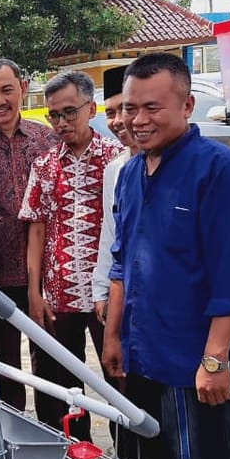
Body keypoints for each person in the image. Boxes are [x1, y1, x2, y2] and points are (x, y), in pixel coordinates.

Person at [102, 52, 230, 459]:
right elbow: (121, 264)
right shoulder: (130, 174)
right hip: (140, 359)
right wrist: (113, 337)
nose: (137, 120)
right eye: (130, 108)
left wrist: (215, 361)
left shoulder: (222, 172)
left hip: (195, 368)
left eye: (152, 107)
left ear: (187, 104)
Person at [17, 71, 125, 442]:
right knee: (61, 380)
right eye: (53, 115)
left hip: (108, 295)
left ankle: (132, 457)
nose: (61, 123)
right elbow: (36, 228)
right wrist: (34, 291)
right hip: (59, 294)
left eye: (69, 112)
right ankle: (74, 449)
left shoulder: (117, 160)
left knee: (119, 376)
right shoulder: (44, 165)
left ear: (91, 108)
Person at [0, 58, 60, 412]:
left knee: (53, 360)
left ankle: (62, 438)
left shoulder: (48, 139)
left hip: (48, 276)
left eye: (7, 90)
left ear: (22, 88)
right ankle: (15, 442)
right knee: (4, 365)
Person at [92, 65, 140, 325]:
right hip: (124, 291)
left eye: (125, 109)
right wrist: (101, 290)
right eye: (110, 113)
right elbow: (110, 234)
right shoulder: (115, 168)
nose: (118, 121)